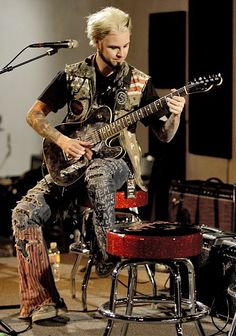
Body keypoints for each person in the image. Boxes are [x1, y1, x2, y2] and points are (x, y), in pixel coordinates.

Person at [12, 6, 185, 323]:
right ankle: (41, 302)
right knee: (24, 212)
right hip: (71, 166)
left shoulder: (138, 83)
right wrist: (63, 141)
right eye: (114, 47)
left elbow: (164, 136)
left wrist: (175, 112)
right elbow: (33, 115)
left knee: (99, 170)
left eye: (126, 45)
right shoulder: (72, 75)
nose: (121, 53)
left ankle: (108, 251)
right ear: (97, 43)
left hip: (118, 167)